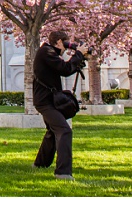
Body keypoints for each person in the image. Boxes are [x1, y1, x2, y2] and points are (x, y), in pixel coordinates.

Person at [32, 29, 87, 180]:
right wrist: (78, 54)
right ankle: (63, 173)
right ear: (58, 42)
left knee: (52, 131)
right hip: (45, 102)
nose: (67, 46)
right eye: (65, 42)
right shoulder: (46, 52)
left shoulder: (49, 53)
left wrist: (79, 57)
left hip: (48, 100)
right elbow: (65, 69)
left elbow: (64, 67)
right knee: (64, 130)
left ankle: (40, 164)